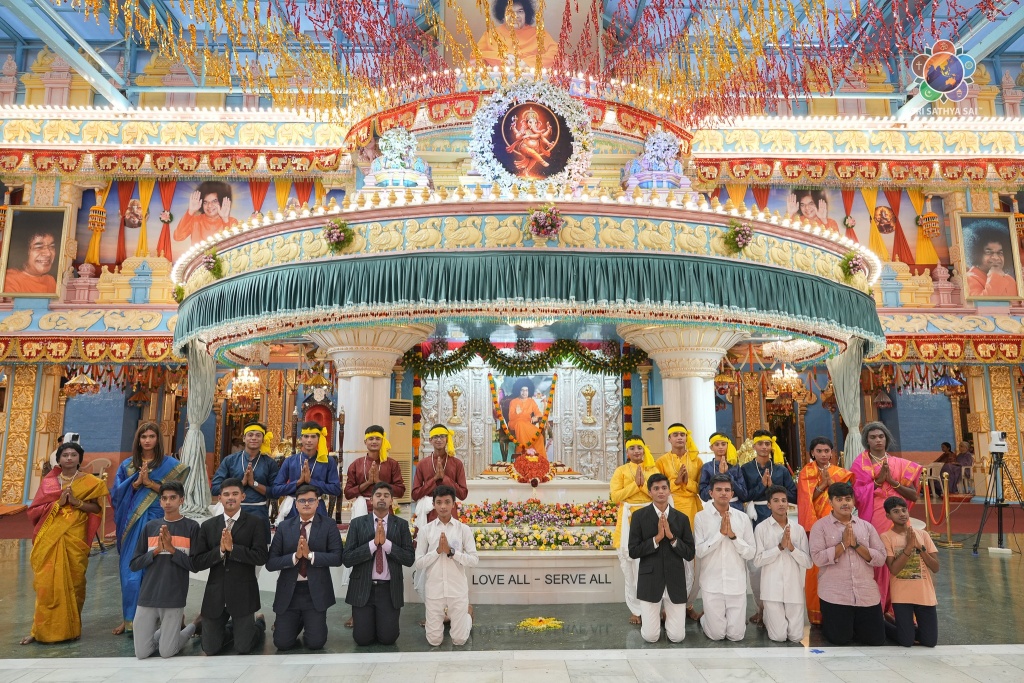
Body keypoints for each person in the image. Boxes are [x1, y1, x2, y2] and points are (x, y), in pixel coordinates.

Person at [20, 441, 108, 645]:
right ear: (58, 459)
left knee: (75, 583)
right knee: (46, 585)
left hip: (75, 537)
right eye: (65, 455)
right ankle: (38, 630)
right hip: (50, 537)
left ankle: (71, 627)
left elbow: (96, 509)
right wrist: (57, 504)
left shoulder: (91, 482)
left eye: (73, 455)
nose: (69, 458)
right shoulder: (49, 483)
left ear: (79, 459)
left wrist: (77, 503)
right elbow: (34, 512)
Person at [111, 422, 189, 635]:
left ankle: (164, 618)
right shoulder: (128, 465)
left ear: (158, 439)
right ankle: (130, 618)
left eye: (151, 436)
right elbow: (116, 495)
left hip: (158, 519)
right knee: (130, 569)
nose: (147, 440)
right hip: (132, 522)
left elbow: (176, 493)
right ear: (138, 440)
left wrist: (150, 483)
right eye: (143, 436)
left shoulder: (170, 465)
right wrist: (135, 483)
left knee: (157, 569)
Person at [192, 478, 269, 655]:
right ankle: (231, 629)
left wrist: (233, 549)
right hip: (216, 593)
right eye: (226, 494)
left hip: (243, 592)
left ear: (243, 496)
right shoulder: (208, 526)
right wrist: (220, 551)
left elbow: (261, 557)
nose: (231, 498)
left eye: (235, 494)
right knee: (210, 649)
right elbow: (197, 562)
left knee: (243, 647)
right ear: (219, 498)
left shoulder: (255, 523)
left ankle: (259, 624)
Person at [851, 421, 921, 611]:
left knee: (902, 552)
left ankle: (903, 608)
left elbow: (913, 495)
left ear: (886, 439)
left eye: (881, 436)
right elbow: (856, 495)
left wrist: (891, 481)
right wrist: (878, 482)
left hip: (899, 515)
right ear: (866, 441)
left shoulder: (900, 464)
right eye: (873, 437)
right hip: (875, 514)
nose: (878, 440)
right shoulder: (860, 464)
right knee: (881, 555)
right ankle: (879, 606)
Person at [266, 484, 344, 651]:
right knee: (282, 644)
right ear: (296, 504)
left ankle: (309, 621)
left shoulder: (328, 525)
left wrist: (310, 555)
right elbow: (271, 563)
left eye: (311, 500)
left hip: (315, 591)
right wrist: (295, 557)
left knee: (315, 643)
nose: (306, 504)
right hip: (289, 592)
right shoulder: (284, 527)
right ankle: (296, 621)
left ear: (318, 503)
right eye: (302, 500)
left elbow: (337, 558)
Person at [808, 482, 886, 646]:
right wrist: (843, 545)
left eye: (848, 499)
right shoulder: (820, 527)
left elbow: (881, 558)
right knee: (840, 639)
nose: (845, 503)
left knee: (875, 640)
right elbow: (817, 558)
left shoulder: (866, 527)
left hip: (866, 594)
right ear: (830, 502)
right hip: (835, 595)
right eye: (839, 499)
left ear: (853, 502)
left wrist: (856, 545)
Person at [130, 481, 200, 659]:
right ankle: (171, 631)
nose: (168, 502)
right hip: (148, 595)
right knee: (142, 653)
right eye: (164, 498)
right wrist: (155, 551)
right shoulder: (150, 527)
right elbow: (134, 564)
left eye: (173, 498)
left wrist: (172, 550)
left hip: (173, 596)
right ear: (160, 501)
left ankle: (194, 625)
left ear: (181, 500)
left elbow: (195, 565)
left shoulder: (191, 527)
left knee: (167, 652)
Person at [343, 482, 415, 646]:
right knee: (362, 640)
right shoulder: (357, 524)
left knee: (388, 639)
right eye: (378, 495)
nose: (382, 498)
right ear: (371, 499)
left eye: (386, 495)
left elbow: (409, 559)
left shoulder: (401, 525)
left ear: (391, 501)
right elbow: (347, 559)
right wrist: (373, 544)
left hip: (388, 590)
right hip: (363, 588)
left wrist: (386, 544)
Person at [627, 473, 696, 643]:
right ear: (650, 492)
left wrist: (672, 538)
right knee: (651, 637)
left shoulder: (681, 518)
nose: (661, 492)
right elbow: (633, 551)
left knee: (677, 637)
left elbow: (689, 553)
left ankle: (667, 620)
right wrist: (656, 539)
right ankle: (654, 623)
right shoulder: (639, 516)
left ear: (669, 491)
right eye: (656, 488)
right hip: (650, 580)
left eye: (664, 488)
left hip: (675, 580)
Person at [740, 429, 796, 625]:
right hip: (755, 518)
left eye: (767, 444)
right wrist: (762, 487)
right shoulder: (746, 468)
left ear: (771, 446)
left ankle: (780, 608)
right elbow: (744, 495)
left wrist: (773, 489)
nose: (764, 447)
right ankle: (761, 609)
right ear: (754, 446)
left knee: (779, 563)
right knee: (756, 566)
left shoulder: (780, 470)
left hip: (779, 518)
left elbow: (794, 495)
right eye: (760, 444)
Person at [414, 485, 479, 647]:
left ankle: (467, 615)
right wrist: (437, 551)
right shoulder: (425, 530)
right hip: (434, 590)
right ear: (433, 505)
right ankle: (447, 620)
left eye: (447, 502)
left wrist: (452, 552)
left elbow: (474, 560)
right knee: (434, 641)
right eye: (439, 502)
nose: (443, 506)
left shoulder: (463, 529)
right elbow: (419, 562)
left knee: (459, 640)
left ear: (453, 504)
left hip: (457, 589)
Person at [796, 436, 852, 625]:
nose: (823, 454)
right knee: (817, 569)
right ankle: (817, 613)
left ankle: (840, 610)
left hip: (838, 525)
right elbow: (805, 500)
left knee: (839, 564)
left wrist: (832, 483)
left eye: (827, 451)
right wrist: (823, 485)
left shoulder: (841, 473)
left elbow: (847, 498)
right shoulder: (806, 472)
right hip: (816, 526)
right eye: (819, 451)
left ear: (832, 453)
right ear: (812, 453)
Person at [694, 474, 756, 642]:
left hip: (736, 583)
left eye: (727, 490)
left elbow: (751, 553)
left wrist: (733, 537)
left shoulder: (742, 518)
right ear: (711, 493)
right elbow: (699, 551)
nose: (723, 493)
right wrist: (720, 535)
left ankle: (726, 621)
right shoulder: (701, 517)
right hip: (711, 583)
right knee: (717, 635)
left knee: (736, 636)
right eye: (719, 489)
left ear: (732, 493)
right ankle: (704, 618)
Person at [655, 423, 704, 621]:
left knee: (691, 556)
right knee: (671, 555)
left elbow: (702, 487)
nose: (679, 438)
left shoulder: (696, 460)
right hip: (671, 509)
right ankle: (669, 605)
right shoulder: (662, 461)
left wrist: (687, 483)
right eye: (675, 435)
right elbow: (658, 487)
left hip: (692, 509)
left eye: (682, 434)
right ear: (669, 439)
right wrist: (675, 483)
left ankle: (688, 603)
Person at [610, 436, 659, 625]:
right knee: (630, 567)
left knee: (652, 564)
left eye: (640, 447)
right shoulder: (621, 471)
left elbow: (659, 494)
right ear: (627, 452)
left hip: (650, 516)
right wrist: (635, 485)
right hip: (628, 519)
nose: (636, 451)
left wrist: (642, 486)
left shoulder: (653, 470)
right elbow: (615, 497)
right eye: (632, 448)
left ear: (644, 449)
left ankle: (654, 608)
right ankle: (636, 610)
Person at [754, 485, 812, 643]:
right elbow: (757, 560)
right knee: (778, 637)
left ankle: (769, 618)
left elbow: (808, 563)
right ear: (769, 504)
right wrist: (779, 547)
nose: (781, 504)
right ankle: (767, 616)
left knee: (796, 637)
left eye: (784, 500)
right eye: (776, 500)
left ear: (788, 503)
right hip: (771, 590)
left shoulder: (798, 529)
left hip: (794, 590)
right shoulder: (761, 528)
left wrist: (792, 548)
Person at [880, 496, 940, 647]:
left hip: (924, 594)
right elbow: (894, 569)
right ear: (888, 516)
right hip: (902, 596)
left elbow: (935, 567)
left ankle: (898, 624)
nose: (902, 514)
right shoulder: (886, 537)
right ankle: (883, 623)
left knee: (930, 642)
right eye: (896, 511)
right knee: (906, 641)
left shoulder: (923, 535)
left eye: (904, 510)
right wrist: (908, 548)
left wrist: (920, 548)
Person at [211, 421, 280, 545]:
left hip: (258, 512)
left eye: (258, 435)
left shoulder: (270, 463)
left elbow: (276, 492)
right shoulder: (230, 460)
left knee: (257, 549)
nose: (254, 438)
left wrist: (253, 483)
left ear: (263, 439)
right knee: (229, 547)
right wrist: (241, 483)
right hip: (231, 512)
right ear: (244, 438)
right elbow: (215, 488)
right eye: (250, 434)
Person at [273, 420, 342, 519]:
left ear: (319, 439)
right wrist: (298, 482)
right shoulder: (290, 461)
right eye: (306, 436)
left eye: (313, 437)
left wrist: (311, 481)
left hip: (317, 509)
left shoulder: (328, 461)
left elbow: (336, 489)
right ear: (301, 439)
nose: (309, 440)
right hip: (293, 509)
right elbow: (276, 490)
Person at [411, 425, 467, 528]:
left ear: (447, 439)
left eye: (442, 436)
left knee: (451, 538)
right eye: (436, 437)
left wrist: (445, 478)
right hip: (429, 513)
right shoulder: (423, 464)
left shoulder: (456, 463)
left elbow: (463, 494)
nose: (439, 439)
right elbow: (415, 495)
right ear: (430, 440)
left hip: (450, 512)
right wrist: (434, 479)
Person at [475, 0, 557, 69]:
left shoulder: (539, 34)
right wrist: (501, 56)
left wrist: (528, 63)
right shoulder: (491, 34)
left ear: (526, 14)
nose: (515, 16)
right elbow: (475, 55)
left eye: (520, 11)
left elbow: (556, 53)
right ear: (503, 15)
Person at [173, 180, 239, 245]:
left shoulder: (231, 221)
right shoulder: (195, 221)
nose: (209, 205)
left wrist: (225, 221)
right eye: (205, 202)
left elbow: (233, 244)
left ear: (222, 201)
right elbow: (178, 237)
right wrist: (190, 211)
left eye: (214, 201)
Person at [965, 222, 1018, 297]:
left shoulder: (1010, 280)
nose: (996, 257)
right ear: (976, 254)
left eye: (1000, 253)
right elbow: (982, 302)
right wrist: (995, 276)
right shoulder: (969, 278)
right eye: (989, 252)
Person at [699, 433, 747, 511]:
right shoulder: (707, 467)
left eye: (723, 444)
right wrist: (719, 475)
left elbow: (744, 495)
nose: (720, 447)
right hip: (714, 509)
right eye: (717, 444)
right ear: (711, 447)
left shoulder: (735, 466)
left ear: (728, 446)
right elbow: (704, 496)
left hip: (735, 508)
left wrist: (727, 474)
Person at [5, 229, 58, 294]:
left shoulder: (50, 280)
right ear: (24, 251)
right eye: (39, 247)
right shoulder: (9, 279)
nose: (48, 253)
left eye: (52, 247)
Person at [505, 381, 547, 458]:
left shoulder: (531, 401)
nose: (524, 392)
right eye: (522, 390)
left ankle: (539, 459)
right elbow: (510, 417)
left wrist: (536, 417)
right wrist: (517, 413)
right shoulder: (513, 402)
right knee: (520, 423)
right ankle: (523, 455)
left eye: (526, 390)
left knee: (539, 436)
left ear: (529, 391)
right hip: (515, 423)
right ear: (518, 390)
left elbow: (539, 413)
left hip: (527, 423)